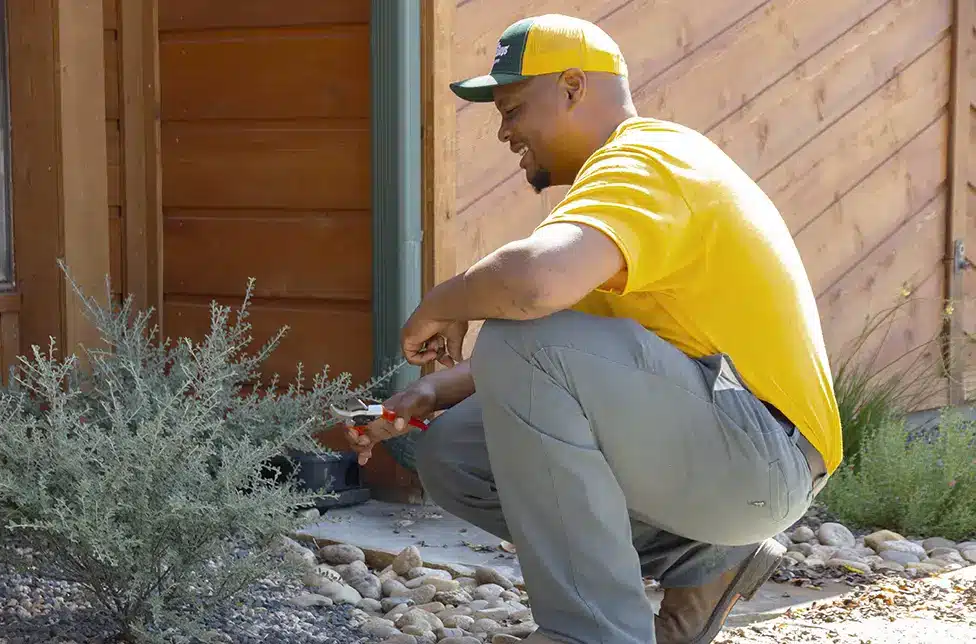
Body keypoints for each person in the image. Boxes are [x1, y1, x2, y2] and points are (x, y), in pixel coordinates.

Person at [345, 13, 842, 644]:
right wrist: (438, 391)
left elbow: (531, 290)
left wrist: (443, 300)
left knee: (517, 337)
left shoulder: (651, 161)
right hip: (729, 451)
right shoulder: (617, 194)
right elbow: (582, 347)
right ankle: (706, 562)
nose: (504, 132)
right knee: (455, 453)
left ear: (574, 87)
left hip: (765, 456)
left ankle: (593, 635)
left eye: (514, 108)